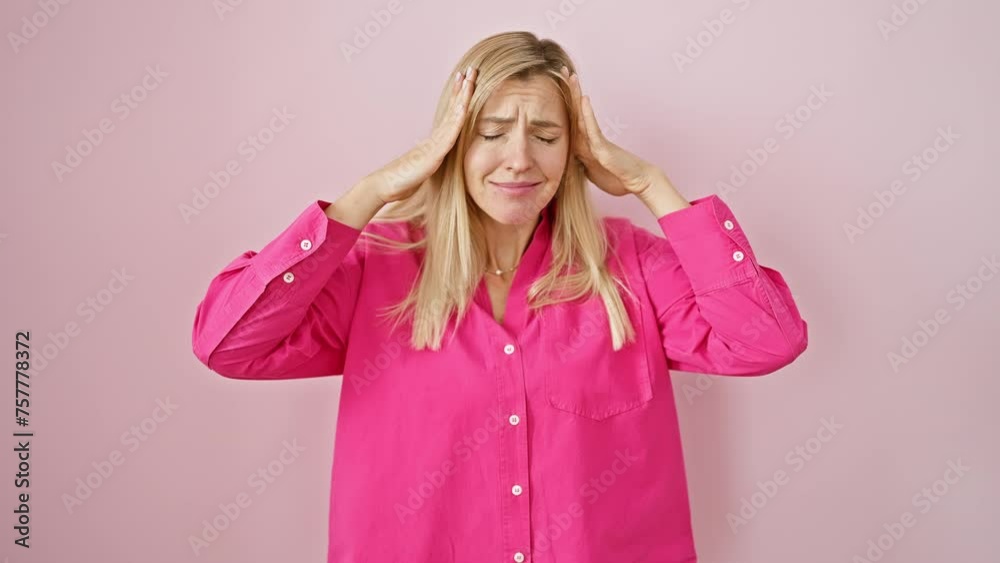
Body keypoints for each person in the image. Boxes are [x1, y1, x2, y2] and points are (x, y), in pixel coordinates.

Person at [191, 30, 808, 563]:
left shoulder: (635, 267)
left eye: (545, 134)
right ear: (452, 143)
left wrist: (650, 183)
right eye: (490, 132)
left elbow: (766, 341)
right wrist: (371, 191)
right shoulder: (371, 268)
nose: (519, 159)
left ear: (574, 153)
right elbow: (228, 343)